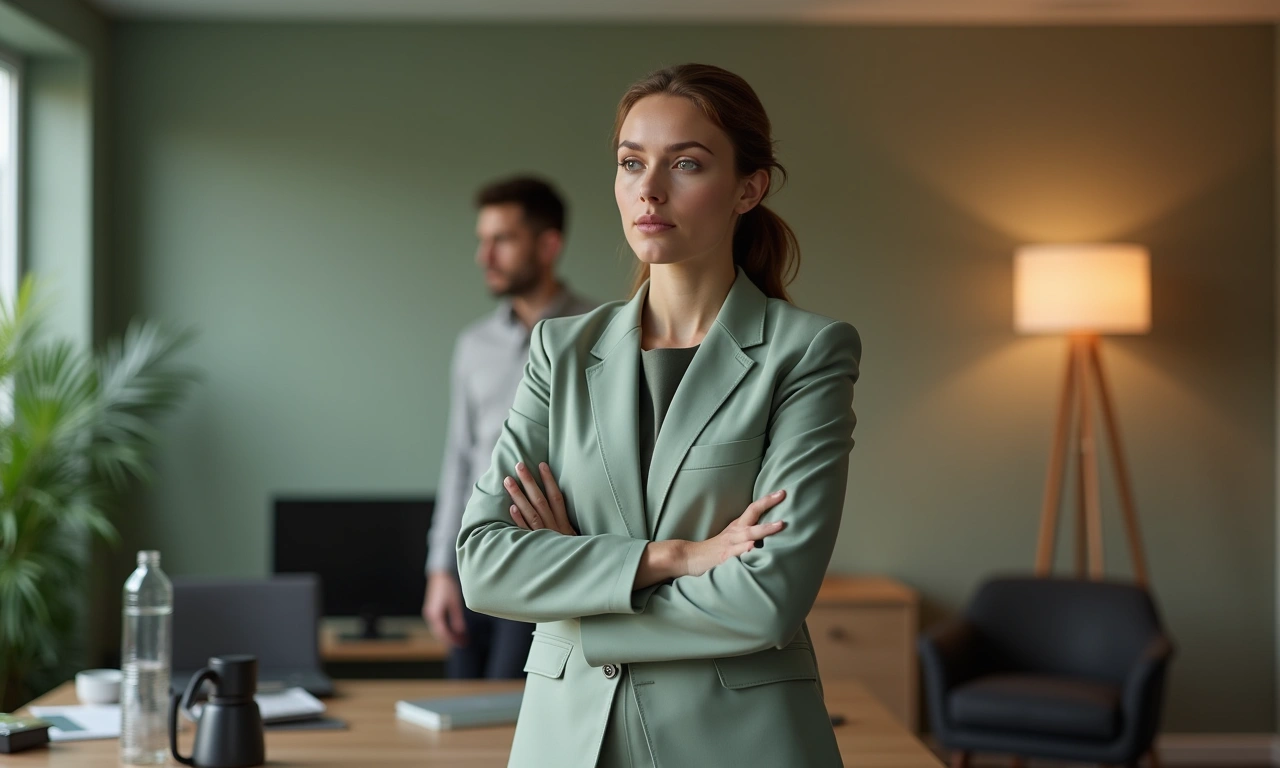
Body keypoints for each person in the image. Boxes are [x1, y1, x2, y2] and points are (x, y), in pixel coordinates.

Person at [456, 64, 860, 768]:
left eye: (688, 163)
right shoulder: (560, 348)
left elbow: (766, 598)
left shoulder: (807, 352)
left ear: (749, 187)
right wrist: (674, 556)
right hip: (567, 738)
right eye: (631, 162)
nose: (649, 188)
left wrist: (579, 584)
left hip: (739, 741)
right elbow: (485, 565)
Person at [424, 176, 596, 679]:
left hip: (546, 560)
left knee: (516, 719)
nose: (485, 255)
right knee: (458, 726)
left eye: (501, 240)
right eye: (482, 240)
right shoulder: (473, 345)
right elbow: (459, 459)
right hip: (474, 557)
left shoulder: (600, 331)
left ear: (548, 245)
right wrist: (440, 571)